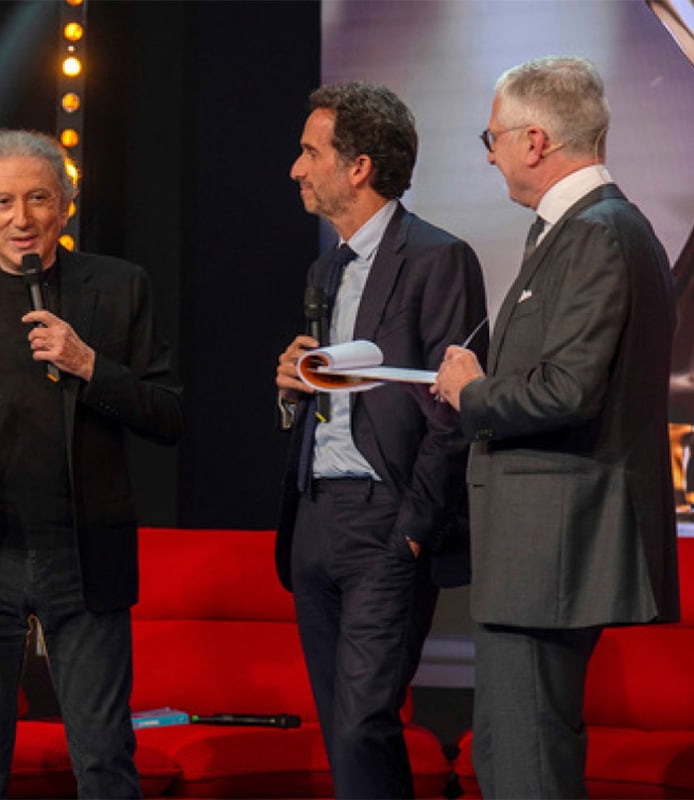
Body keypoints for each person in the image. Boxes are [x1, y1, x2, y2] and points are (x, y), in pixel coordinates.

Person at [0, 129, 183, 799]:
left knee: (104, 761)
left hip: (81, 552)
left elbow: (168, 415)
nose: (21, 218)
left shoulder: (120, 286)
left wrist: (89, 365)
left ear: (66, 205)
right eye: (3, 202)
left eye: (39, 198)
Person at [433, 55, 679, 798]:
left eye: (493, 137)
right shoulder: (581, 229)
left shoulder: (599, 233)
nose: (489, 154)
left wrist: (473, 393)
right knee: (509, 755)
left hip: (550, 549)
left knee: (526, 764)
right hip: (538, 549)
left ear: (534, 141)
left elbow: (568, 389)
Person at [273, 82, 487, 799]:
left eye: (311, 152)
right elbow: (340, 401)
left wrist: (413, 535)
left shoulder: (439, 258)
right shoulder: (324, 267)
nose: (297, 169)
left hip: (386, 523)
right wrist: (294, 389)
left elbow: (452, 409)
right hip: (314, 518)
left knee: (363, 721)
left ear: (358, 166)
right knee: (343, 725)